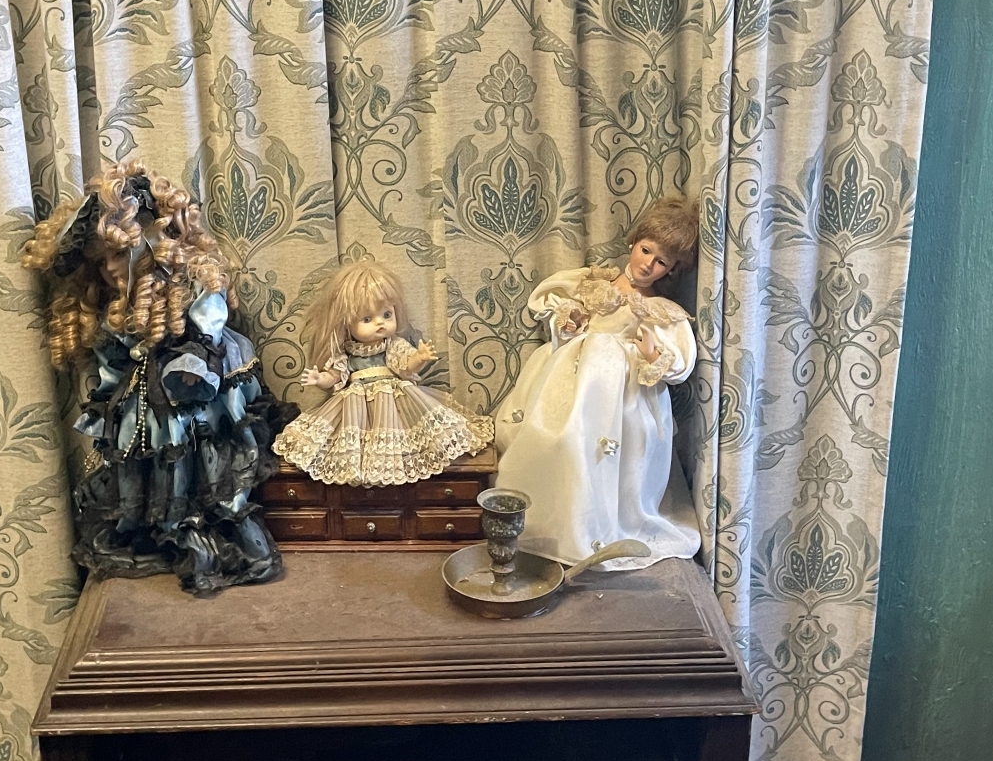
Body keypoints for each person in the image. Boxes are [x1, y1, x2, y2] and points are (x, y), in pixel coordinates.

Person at [22, 163, 292, 593]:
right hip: (144, 403)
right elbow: (113, 364)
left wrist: (194, 363)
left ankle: (203, 539)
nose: (109, 269)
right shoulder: (117, 305)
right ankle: (162, 533)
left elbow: (209, 331)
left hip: (194, 396)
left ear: (148, 240)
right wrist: (108, 401)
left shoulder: (192, 282)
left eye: (116, 255)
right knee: (150, 465)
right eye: (100, 261)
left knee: (200, 465)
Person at [493, 197, 701, 571]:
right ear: (634, 242)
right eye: (646, 250)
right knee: (562, 440)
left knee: (614, 458)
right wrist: (569, 323)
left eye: (661, 262)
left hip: (622, 395)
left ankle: (601, 526)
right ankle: (554, 526)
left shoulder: (657, 308)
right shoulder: (594, 283)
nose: (647, 264)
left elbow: (678, 363)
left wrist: (651, 353)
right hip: (572, 380)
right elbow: (562, 319)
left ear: (671, 270)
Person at [274, 260, 493, 485]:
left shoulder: (392, 345)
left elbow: (405, 365)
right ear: (346, 324)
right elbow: (334, 376)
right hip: (355, 407)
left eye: (387, 314)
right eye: (367, 319)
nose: (380, 323)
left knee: (405, 437)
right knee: (353, 442)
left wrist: (419, 358)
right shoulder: (346, 353)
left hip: (395, 401)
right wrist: (320, 378)